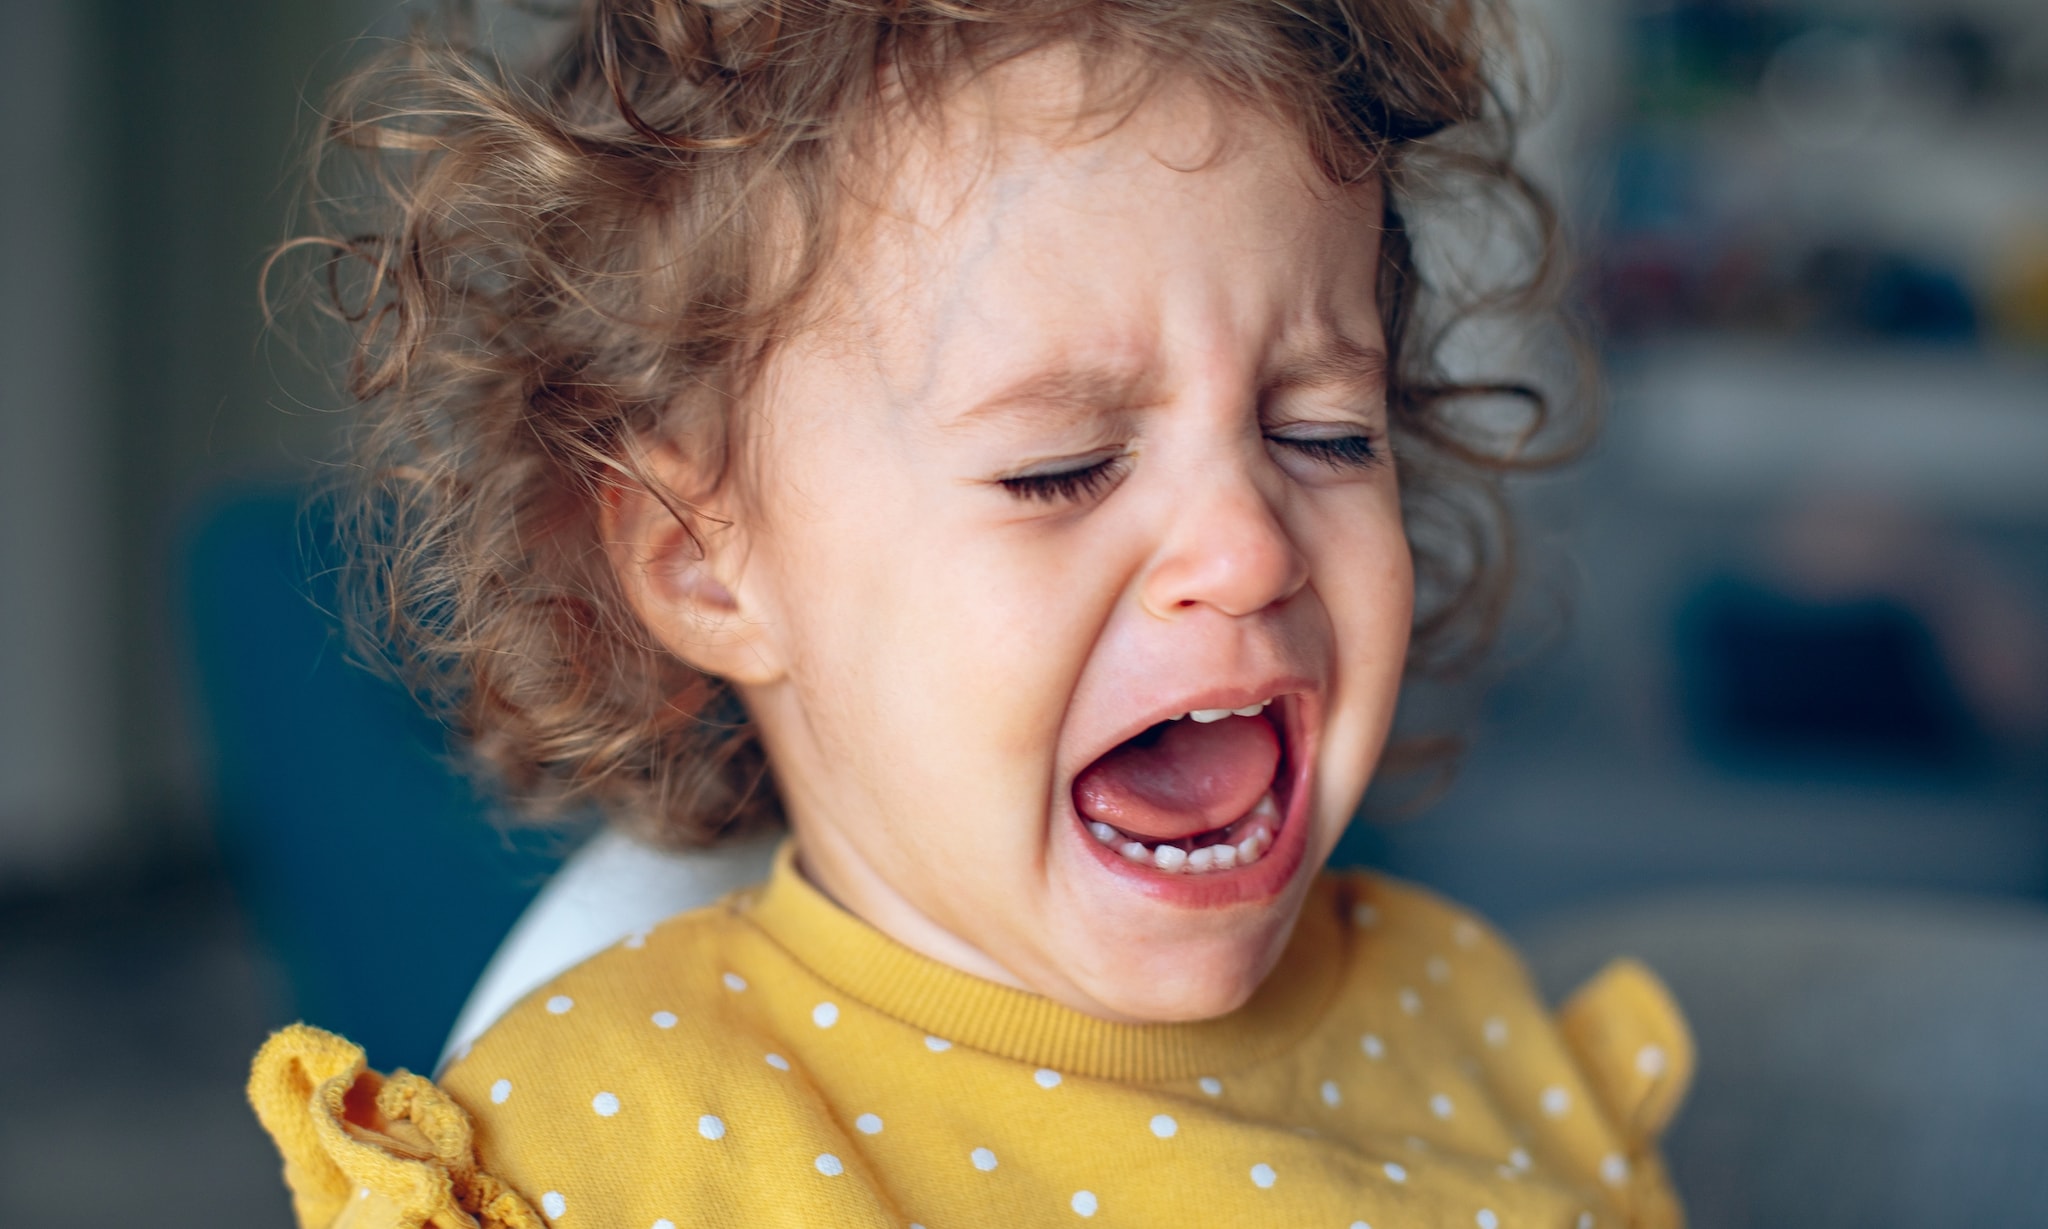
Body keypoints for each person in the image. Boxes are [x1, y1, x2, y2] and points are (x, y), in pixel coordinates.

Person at [247, 2, 1692, 1226]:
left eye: (1323, 432)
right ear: (703, 561)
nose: (1249, 549)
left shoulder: (1467, 1013)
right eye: (1062, 467)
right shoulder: (623, 1134)